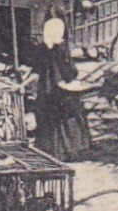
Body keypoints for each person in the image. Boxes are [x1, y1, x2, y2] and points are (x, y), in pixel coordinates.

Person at [26, 17, 93, 161]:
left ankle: (50, 150)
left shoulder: (42, 50)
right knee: (68, 117)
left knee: (48, 118)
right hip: (62, 89)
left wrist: (25, 83)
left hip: (46, 90)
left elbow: (36, 71)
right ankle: (70, 150)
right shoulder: (61, 50)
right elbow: (70, 72)